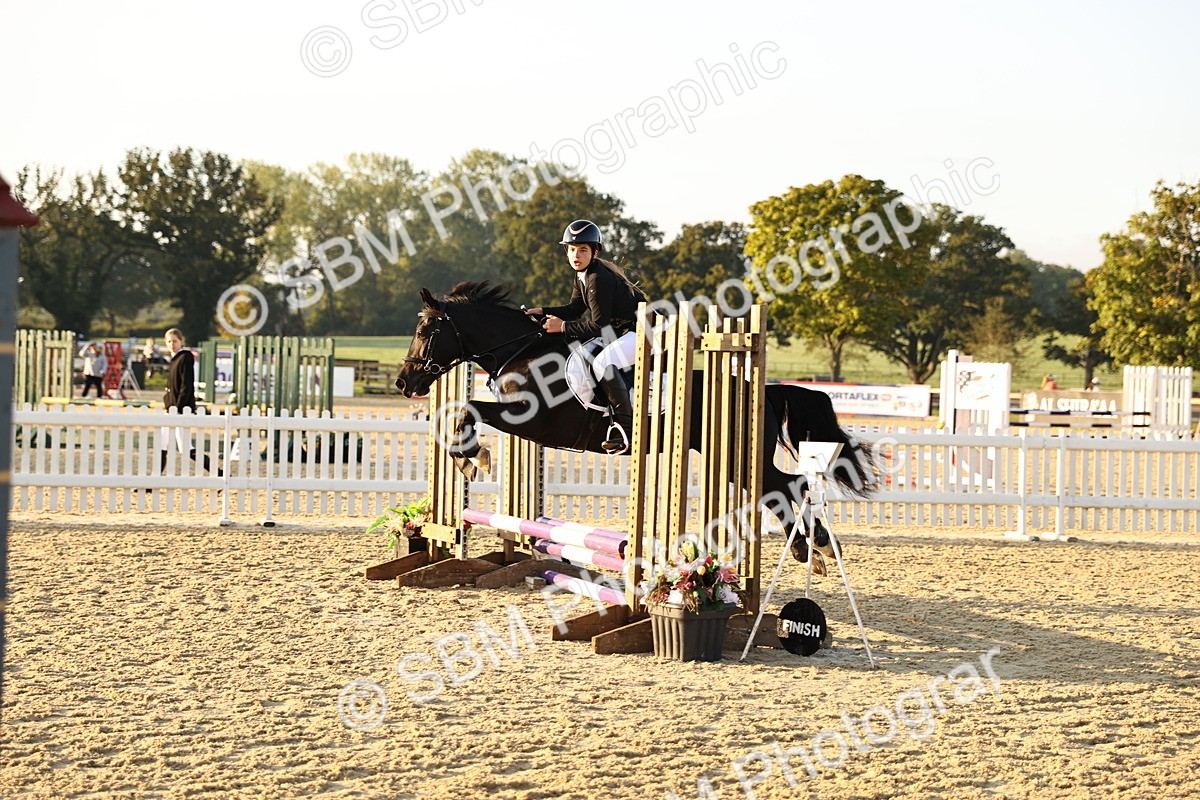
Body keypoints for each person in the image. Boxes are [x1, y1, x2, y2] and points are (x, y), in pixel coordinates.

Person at [525, 219, 649, 454]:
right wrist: (542, 311)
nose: (576, 255)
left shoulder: (597, 277)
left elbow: (599, 325)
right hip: (620, 332)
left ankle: (625, 429)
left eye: (583, 250)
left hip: (642, 332)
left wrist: (562, 328)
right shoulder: (583, 275)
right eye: (572, 250)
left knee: (603, 362)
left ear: (595, 251)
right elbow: (573, 310)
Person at [158, 328, 221, 478]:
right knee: (162, 443)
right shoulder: (174, 359)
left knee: (186, 447)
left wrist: (178, 408)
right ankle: (155, 479)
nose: (171, 344)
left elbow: (186, 385)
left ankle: (219, 474)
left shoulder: (184, 358)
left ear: (181, 341)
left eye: (175, 341)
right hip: (171, 408)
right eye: (169, 341)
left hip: (180, 409)